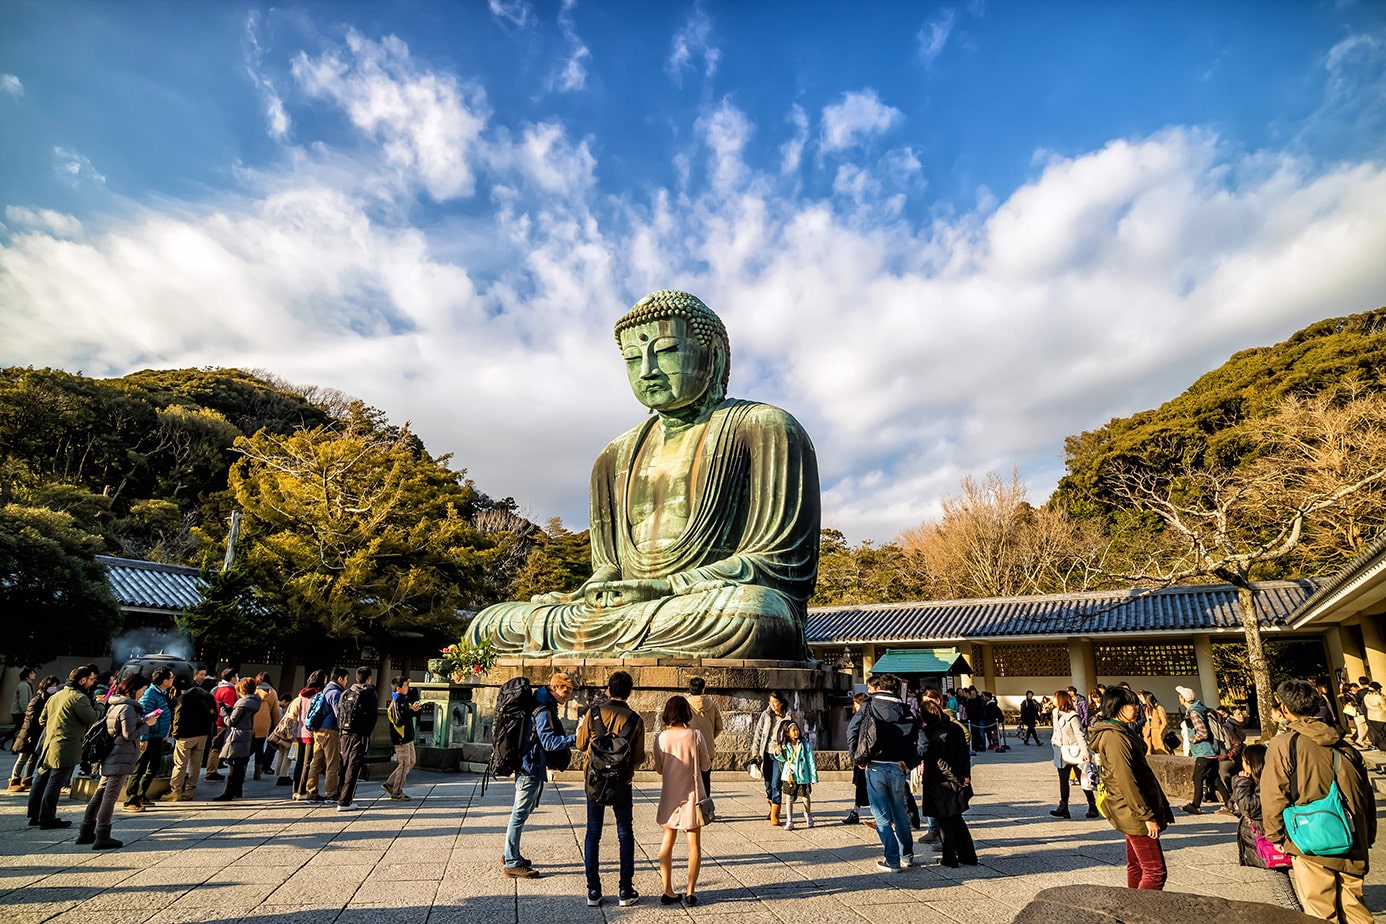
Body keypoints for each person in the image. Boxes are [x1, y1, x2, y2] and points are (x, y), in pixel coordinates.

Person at [466, 290, 821, 662]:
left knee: (753, 615)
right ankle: (616, 642)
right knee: (490, 624)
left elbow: (781, 564)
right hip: (631, 611)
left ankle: (619, 642)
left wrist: (667, 586)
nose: (648, 369)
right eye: (633, 358)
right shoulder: (613, 455)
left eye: (665, 351)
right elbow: (609, 566)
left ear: (713, 356)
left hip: (706, 603)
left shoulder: (766, 427)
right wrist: (596, 589)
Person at [1262, 679, 1376, 923]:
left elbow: (1274, 795)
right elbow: (1365, 794)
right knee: (1355, 906)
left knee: (1320, 911)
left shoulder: (1284, 745)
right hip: (1353, 833)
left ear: (1284, 709)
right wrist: (1369, 832)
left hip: (1310, 837)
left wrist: (1276, 836)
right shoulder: (1344, 744)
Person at [1089, 686, 1174, 890]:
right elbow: (1126, 779)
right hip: (1133, 810)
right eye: (1130, 704)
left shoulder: (1120, 731)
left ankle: (1131, 908)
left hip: (1129, 807)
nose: (1136, 708)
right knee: (1155, 871)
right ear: (1116, 706)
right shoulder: (1115, 737)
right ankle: (1141, 914)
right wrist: (1146, 816)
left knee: (1137, 865)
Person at [576, 671, 645, 908]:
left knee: (592, 833)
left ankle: (593, 891)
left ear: (608, 689)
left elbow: (580, 743)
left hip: (595, 780)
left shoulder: (593, 713)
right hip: (621, 782)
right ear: (629, 692)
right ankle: (625, 890)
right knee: (625, 832)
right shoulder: (635, 720)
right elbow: (637, 757)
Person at [501, 672, 577, 878]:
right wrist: (576, 738)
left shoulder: (541, 703)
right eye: (564, 690)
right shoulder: (542, 709)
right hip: (530, 766)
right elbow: (549, 742)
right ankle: (512, 862)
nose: (567, 695)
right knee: (519, 814)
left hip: (528, 764)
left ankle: (510, 853)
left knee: (520, 813)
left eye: (570, 691)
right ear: (554, 688)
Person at [848, 672, 920, 873]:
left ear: (879, 688)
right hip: (898, 767)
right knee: (900, 813)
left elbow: (852, 730)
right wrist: (910, 762)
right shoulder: (905, 708)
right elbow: (921, 740)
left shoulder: (869, 706)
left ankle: (892, 859)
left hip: (876, 765)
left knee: (881, 816)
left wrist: (857, 758)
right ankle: (907, 855)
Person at [78, 673, 158, 850]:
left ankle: (86, 830)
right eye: (142, 690)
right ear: (133, 689)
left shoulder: (115, 705)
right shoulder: (128, 708)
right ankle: (102, 835)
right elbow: (129, 734)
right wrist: (147, 724)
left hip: (112, 753)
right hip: (121, 754)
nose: (143, 694)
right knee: (110, 796)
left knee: (100, 793)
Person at [652, 694, 710, 906]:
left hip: (670, 795)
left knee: (667, 841)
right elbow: (705, 766)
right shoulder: (695, 735)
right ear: (687, 713)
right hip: (693, 797)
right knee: (693, 843)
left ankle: (667, 889)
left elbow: (659, 768)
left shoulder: (660, 737)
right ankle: (691, 891)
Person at [28, 666, 99, 829]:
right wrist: (100, 705)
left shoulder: (56, 696)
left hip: (50, 744)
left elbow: (42, 720)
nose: (92, 683)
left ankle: (34, 815)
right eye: (92, 679)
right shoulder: (79, 697)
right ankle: (47, 818)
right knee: (55, 782)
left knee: (41, 780)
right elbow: (92, 717)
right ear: (82, 680)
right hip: (66, 746)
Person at [918, 698, 975, 867]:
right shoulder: (955, 727)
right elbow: (965, 754)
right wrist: (965, 776)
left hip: (940, 781)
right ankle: (968, 855)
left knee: (945, 821)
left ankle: (950, 857)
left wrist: (956, 778)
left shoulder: (930, 734)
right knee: (956, 819)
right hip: (959, 778)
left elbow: (940, 763)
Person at [123, 667, 173, 812]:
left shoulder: (161, 693)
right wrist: (144, 738)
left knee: (154, 767)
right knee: (140, 768)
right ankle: (130, 799)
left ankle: (141, 794)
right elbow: (144, 716)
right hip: (149, 737)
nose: (172, 680)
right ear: (164, 681)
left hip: (158, 737)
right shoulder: (151, 694)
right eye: (171, 677)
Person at [749, 691, 801, 826]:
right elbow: (758, 734)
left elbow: (793, 736)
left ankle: (775, 815)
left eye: (775, 703)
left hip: (780, 755)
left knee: (776, 784)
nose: (772, 705)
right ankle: (771, 807)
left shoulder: (789, 717)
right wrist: (755, 753)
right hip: (765, 753)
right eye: (770, 702)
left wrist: (783, 747)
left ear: (781, 703)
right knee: (767, 784)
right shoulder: (765, 715)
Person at [1176, 685, 1229, 815]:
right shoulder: (1202, 708)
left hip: (1204, 751)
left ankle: (1196, 805)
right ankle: (1230, 803)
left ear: (1183, 699)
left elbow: (1203, 732)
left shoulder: (1193, 712)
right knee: (1214, 778)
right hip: (1212, 750)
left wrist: (1192, 739)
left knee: (1197, 777)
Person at [1230, 743, 1284, 871]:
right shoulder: (1252, 782)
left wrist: (1242, 784)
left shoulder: (1266, 784)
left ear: (1250, 763)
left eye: (1243, 761)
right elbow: (1236, 806)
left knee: (1277, 872)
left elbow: (1248, 808)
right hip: (1261, 837)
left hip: (1267, 837)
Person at [165, 673, 216, 802]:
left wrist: (175, 733)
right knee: (196, 764)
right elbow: (214, 715)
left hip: (185, 735)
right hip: (203, 734)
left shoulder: (184, 698)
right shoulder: (208, 696)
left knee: (180, 764)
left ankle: (175, 791)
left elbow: (178, 717)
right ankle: (189, 791)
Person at [1050, 689, 1099, 819]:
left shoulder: (1073, 716)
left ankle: (1092, 805)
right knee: (1063, 780)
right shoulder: (1055, 713)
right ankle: (1063, 806)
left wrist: (1085, 752)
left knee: (1083, 781)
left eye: (1055, 698)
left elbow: (1080, 734)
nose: (1053, 700)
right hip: (1061, 751)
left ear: (1061, 700)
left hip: (1075, 752)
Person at [336, 666, 379, 812]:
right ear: (369, 678)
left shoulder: (346, 693)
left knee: (343, 764)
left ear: (356, 678)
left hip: (344, 733)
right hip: (360, 734)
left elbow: (339, 712)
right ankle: (345, 801)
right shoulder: (370, 693)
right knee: (353, 766)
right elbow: (373, 716)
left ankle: (340, 794)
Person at [305, 667, 348, 804]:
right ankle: (331, 793)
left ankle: (311, 792)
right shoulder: (335, 693)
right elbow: (339, 714)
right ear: (340, 678)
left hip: (319, 730)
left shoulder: (325, 690)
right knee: (332, 763)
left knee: (316, 762)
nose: (346, 682)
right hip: (331, 731)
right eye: (346, 679)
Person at [213, 678, 260, 801]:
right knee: (240, 765)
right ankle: (238, 790)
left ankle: (228, 792)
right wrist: (231, 709)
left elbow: (232, 722)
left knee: (233, 766)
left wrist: (224, 716)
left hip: (237, 736)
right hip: (246, 734)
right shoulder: (253, 702)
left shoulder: (242, 704)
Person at [8, 674, 56, 793]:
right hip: (29, 733)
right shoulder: (37, 700)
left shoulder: (48, 700)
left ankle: (27, 780)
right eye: (52, 686)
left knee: (33, 758)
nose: (54, 689)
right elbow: (30, 719)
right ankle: (14, 779)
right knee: (23, 757)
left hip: (39, 734)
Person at [383, 676, 423, 802]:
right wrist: (411, 711)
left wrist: (414, 710)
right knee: (404, 763)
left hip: (407, 737)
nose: (408, 688)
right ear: (398, 688)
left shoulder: (404, 700)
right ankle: (397, 791)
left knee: (411, 762)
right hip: (401, 738)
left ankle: (390, 783)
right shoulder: (396, 702)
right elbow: (399, 721)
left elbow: (409, 714)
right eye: (406, 685)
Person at [290, 671, 325, 802]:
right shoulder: (318, 695)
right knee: (308, 763)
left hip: (301, 730)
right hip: (311, 731)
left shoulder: (302, 694)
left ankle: (295, 790)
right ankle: (303, 790)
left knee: (300, 762)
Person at [684, 678, 722, 797]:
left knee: (689, 780)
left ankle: (692, 809)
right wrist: (709, 738)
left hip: (689, 747)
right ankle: (705, 810)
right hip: (707, 747)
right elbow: (719, 726)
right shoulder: (712, 705)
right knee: (705, 778)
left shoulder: (685, 705)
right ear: (703, 689)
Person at [779, 719, 817, 829]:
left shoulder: (804, 743)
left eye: (797, 730)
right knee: (789, 798)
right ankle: (789, 820)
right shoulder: (784, 744)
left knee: (805, 796)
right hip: (790, 775)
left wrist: (813, 777)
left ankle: (808, 815)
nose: (796, 732)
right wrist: (778, 753)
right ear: (787, 733)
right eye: (793, 730)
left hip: (803, 775)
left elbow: (811, 760)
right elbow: (783, 759)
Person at [844, 692, 872, 827]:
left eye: (855, 703)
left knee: (865, 786)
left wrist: (853, 754)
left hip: (863, 755)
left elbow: (852, 734)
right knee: (861, 786)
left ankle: (860, 812)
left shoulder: (862, 717)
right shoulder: (864, 716)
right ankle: (855, 811)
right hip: (862, 755)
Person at [205, 668, 238, 782]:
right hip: (222, 722)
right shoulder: (229, 690)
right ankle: (211, 772)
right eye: (236, 676)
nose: (237, 679)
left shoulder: (220, 688)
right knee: (216, 748)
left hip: (217, 721)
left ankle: (212, 771)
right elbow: (229, 707)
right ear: (232, 677)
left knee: (215, 747)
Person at [1215, 705, 1248, 817]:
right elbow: (1236, 743)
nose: (1241, 715)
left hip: (1236, 756)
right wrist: (1230, 755)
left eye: (1241, 713)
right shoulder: (1230, 726)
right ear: (1231, 716)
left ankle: (1233, 802)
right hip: (1233, 756)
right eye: (1238, 714)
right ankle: (1232, 801)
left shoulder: (1235, 726)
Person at [251, 672, 282, 781]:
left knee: (248, 748)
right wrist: (277, 726)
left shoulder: (253, 690)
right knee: (260, 748)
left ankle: (241, 770)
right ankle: (257, 774)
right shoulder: (272, 692)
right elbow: (275, 712)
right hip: (264, 724)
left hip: (251, 722)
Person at [3, 667, 35, 752]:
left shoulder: (27, 685)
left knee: (18, 729)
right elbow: (23, 701)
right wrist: (26, 712)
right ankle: (13, 747)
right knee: (19, 729)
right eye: (32, 673)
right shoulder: (23, 686)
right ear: (27, 676)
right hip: (19, 712)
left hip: (20, 711)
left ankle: (8, 744)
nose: (34, 675)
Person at [1139, 691, 1169, 755]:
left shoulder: (1159, 708)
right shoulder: (1145, 709)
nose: (1141, 700)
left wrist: (1161, 734)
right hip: (1147, 736)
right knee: (1148, 755)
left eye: (1142, 698)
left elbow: (1164, 722)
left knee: (1162, 755)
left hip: (1158, 736)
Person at [1362, 682, 1386, 751]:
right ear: (1378, 689)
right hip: (1381, 717)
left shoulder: (1366, 697)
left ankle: (1381, 746)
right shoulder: (1379, 698)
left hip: (1371, 717)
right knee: (1384, 733)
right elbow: (1384, 709)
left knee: (1378, 734)